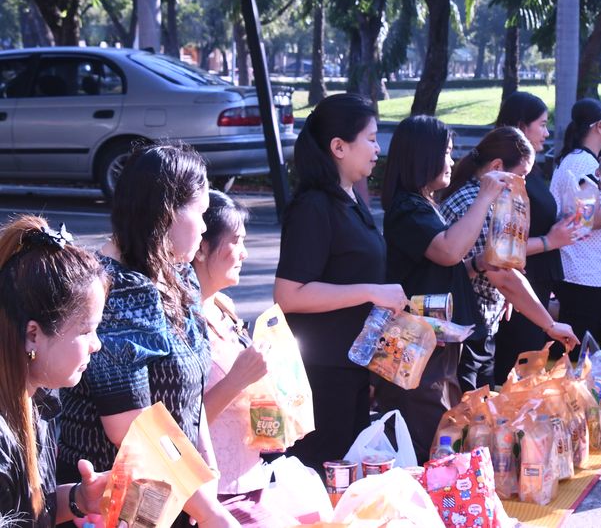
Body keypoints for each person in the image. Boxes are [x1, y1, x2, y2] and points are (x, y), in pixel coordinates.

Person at [57, 144, 238, 527]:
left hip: (177, 496)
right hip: (111, 509)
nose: (206, 228)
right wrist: (210, 511)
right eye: (201, 214)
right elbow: (131, 428)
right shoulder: (112, 292)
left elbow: (192, 396)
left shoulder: (178, 274)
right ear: (167, 212)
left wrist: (207, 480)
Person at [273, 94, 407, 476]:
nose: (377, 149)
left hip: (349, 369)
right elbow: (288, 294)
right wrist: (370, 291)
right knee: (322, 476)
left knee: (346, 479)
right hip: (320, 375)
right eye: (371, 138)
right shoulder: (314, 206)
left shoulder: (349, 199)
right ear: (338, 146)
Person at [377, 115, 508, 460]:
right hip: (416, 346)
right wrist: (485, 196)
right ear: (424, 156)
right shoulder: (407, 208)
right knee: (429, 429)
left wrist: (477, 266)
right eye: (446, 153)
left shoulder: (422, 204)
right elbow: (448, 250)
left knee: (441, 426)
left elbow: (441, 265)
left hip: (433, 340)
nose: (451, 161)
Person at [439, 126, 578, 389]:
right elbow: (501, 274)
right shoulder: (475, 204)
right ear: (498, 166)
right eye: (521, 175)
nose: (523, 185)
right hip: (465, 329)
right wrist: (550, 325)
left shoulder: (481, 197)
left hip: (476, 325)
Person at [0, 216, 109, 527]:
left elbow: (26, 512)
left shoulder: (39, 399)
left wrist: (79, 499)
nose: (96, 345)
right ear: (33, 334)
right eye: (87, 331)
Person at [193, 192, 294, 527]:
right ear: (200, 246)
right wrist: (238, 378)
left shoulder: (224, 307)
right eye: (235, 241)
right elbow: (178, 426)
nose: (244, 253)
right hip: (212, 499)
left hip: (253, 479)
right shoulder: (181, 321)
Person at [493, 92, 577, 380]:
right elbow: (499, 246)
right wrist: (549, 242)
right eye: (541, 124)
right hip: (515, 288)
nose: (547, 131)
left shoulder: (531, 169)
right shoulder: (507, 174)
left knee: (531, 370)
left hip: (536, 283)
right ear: (521, 126)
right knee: (516, 371)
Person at [549, 98, 601, 351]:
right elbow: (585, 218)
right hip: (583, 270)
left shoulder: (574, 159)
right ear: (599, 127)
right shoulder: (585, 163)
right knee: (579, 351)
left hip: (581, 269)